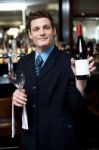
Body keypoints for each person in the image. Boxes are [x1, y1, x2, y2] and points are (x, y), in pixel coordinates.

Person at [12, 9, 96, 150]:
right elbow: (22, 100)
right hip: (30, 139)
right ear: (30, 34)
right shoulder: (23, 62)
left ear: (54, 31)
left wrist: (80, 81)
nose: (42, 32)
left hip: (59, 140)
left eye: (46, 27)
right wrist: (16, 98)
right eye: (36, 29)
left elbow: (77, 108)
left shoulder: (68, 62)